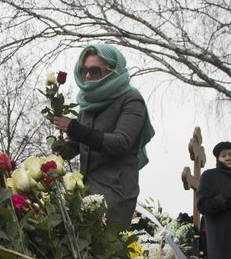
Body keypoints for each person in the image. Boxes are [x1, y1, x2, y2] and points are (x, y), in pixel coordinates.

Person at [52, 44, 155, 228]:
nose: (88, 76)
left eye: (94, 71)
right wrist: (63, 148)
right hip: (84, 190)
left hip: (115, 194)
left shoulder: (131, 99)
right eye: (84, 70)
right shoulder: (89, 103)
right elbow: (81, 142)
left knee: (104, 252)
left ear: (112, 71)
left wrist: (74, 128)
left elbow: (121, 142)